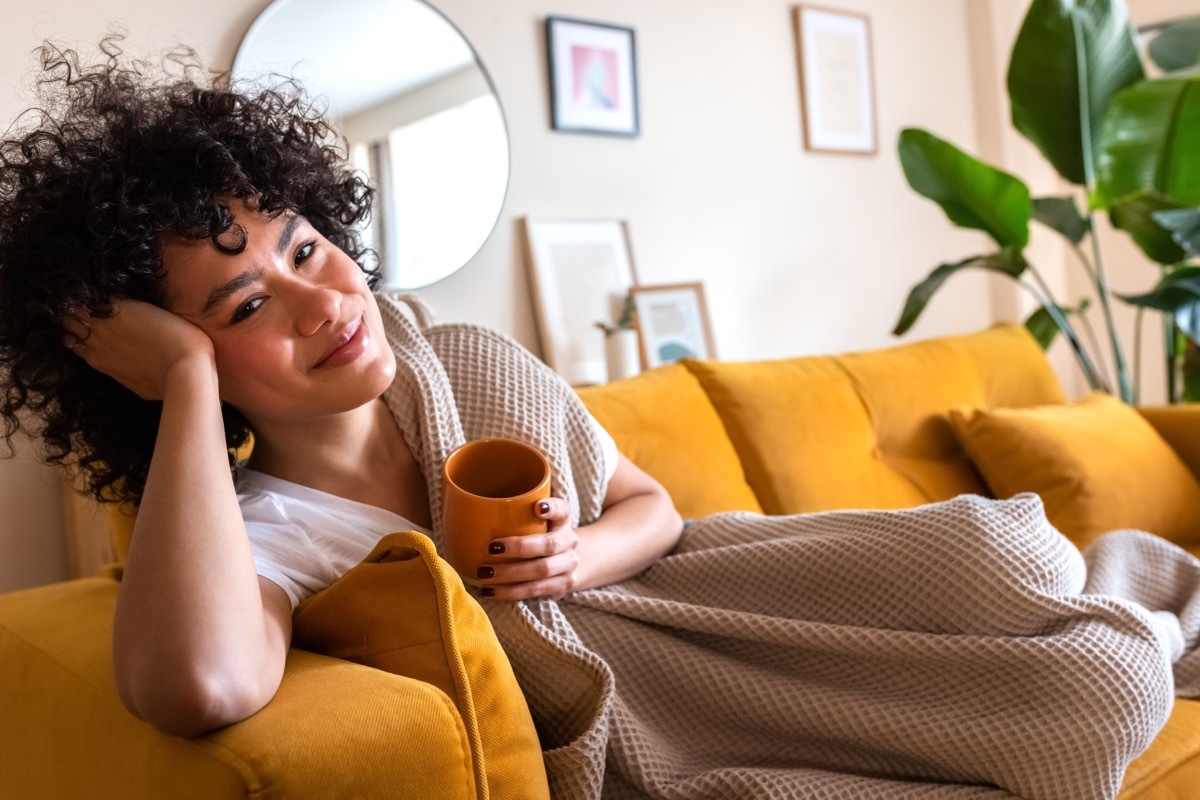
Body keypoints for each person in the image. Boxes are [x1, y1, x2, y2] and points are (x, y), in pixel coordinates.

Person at [2, 41, 1197, 800]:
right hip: (668, 707)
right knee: (1097, 688)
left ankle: (1113, 586)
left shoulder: (458, 359)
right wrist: (188, 389)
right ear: (165, 365)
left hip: (717, 586)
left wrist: (579, 550)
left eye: (307, 246)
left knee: (1007, 548)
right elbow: (197, 683)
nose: (325, 301)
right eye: (249, 301)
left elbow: (652, 505)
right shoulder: (269, 533)